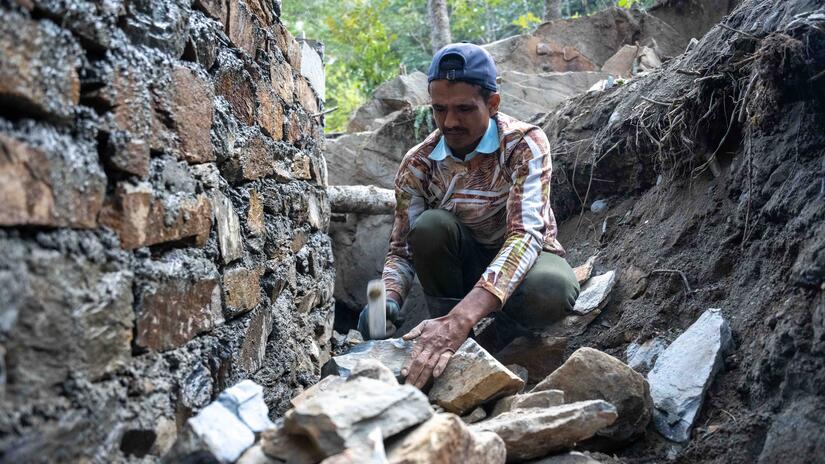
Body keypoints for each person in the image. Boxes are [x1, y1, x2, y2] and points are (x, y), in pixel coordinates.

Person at [358, 43, 580, 389]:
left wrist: (462, 319)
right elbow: (401, 250)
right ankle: (444, 333)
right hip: (462, 268)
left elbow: (525, 236)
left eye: (464, 109)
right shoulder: (419, 164)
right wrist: (384, 301)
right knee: (430, 227)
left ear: (493, 104)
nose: (450, 122)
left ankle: (495, 337)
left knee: (553, 288)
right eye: (439, 109)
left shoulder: (524, 145)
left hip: (526, 265)